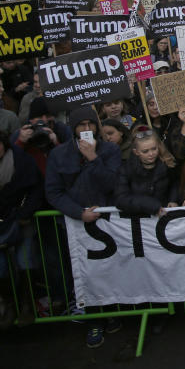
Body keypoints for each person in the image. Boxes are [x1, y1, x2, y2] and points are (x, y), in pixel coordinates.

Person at [45, 107, 122, 347]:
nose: (86, 129)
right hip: (75, 225)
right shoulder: (59, 155)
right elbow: (54, 192)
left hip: (106, 224)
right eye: (81, 125)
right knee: (83, 274)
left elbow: (113, 184)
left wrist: (93, 159)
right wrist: (78, 213)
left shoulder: (109, 150)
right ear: (73, 128)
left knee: (107, 270)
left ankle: (109, 312)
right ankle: (93, 321)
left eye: (91, 124)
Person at [0, 129, 43, 329]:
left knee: (26, 262)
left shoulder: (21, 161)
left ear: (4, 145)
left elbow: (37, 188)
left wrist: (25, 213)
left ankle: (26, 304)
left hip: (20, 220)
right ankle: (9, 302)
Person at [114, 126, 178, 216]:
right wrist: (151, 205)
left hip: (164, 216)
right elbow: (121, 199)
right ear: (136, 152)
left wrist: (173, 200)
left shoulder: (168, 164)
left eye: (154, 149)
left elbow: (174, 184)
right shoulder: (126, 169)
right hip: (139, 219)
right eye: (145, 151)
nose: (151, 154)